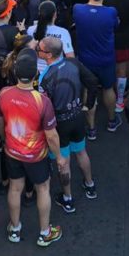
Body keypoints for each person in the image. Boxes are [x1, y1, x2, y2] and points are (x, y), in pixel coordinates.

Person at [0, 48, 65, 247]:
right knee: (43, 188)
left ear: (16, 73)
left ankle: (15, 229)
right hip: (36, 155)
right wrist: (59, 156)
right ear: (35, 74)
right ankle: (44, 233)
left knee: (15, 188)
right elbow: (51, 135)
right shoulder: (42, 101)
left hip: (12, 151)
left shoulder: (4, 94)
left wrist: (4, 140)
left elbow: (0, 122)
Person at [39, 35, 98, 212]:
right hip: (77, 116)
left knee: (62, 161)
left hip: (58, 124)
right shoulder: (73, 63)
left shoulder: (45, 76)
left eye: (39, 50)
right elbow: (93, 81)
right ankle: (90, 185)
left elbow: (43, 106)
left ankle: (68, 198)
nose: (37, 51)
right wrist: (88, 104)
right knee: (81, 151)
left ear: (48, 55)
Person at [73, 0, 119, 133]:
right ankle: (112, 121)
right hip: (106, 59)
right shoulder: (111, 11)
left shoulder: (78, 9)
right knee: (107, 88)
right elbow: (116, 25)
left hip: (86, 60)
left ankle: (91, 128)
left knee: (88, 89)